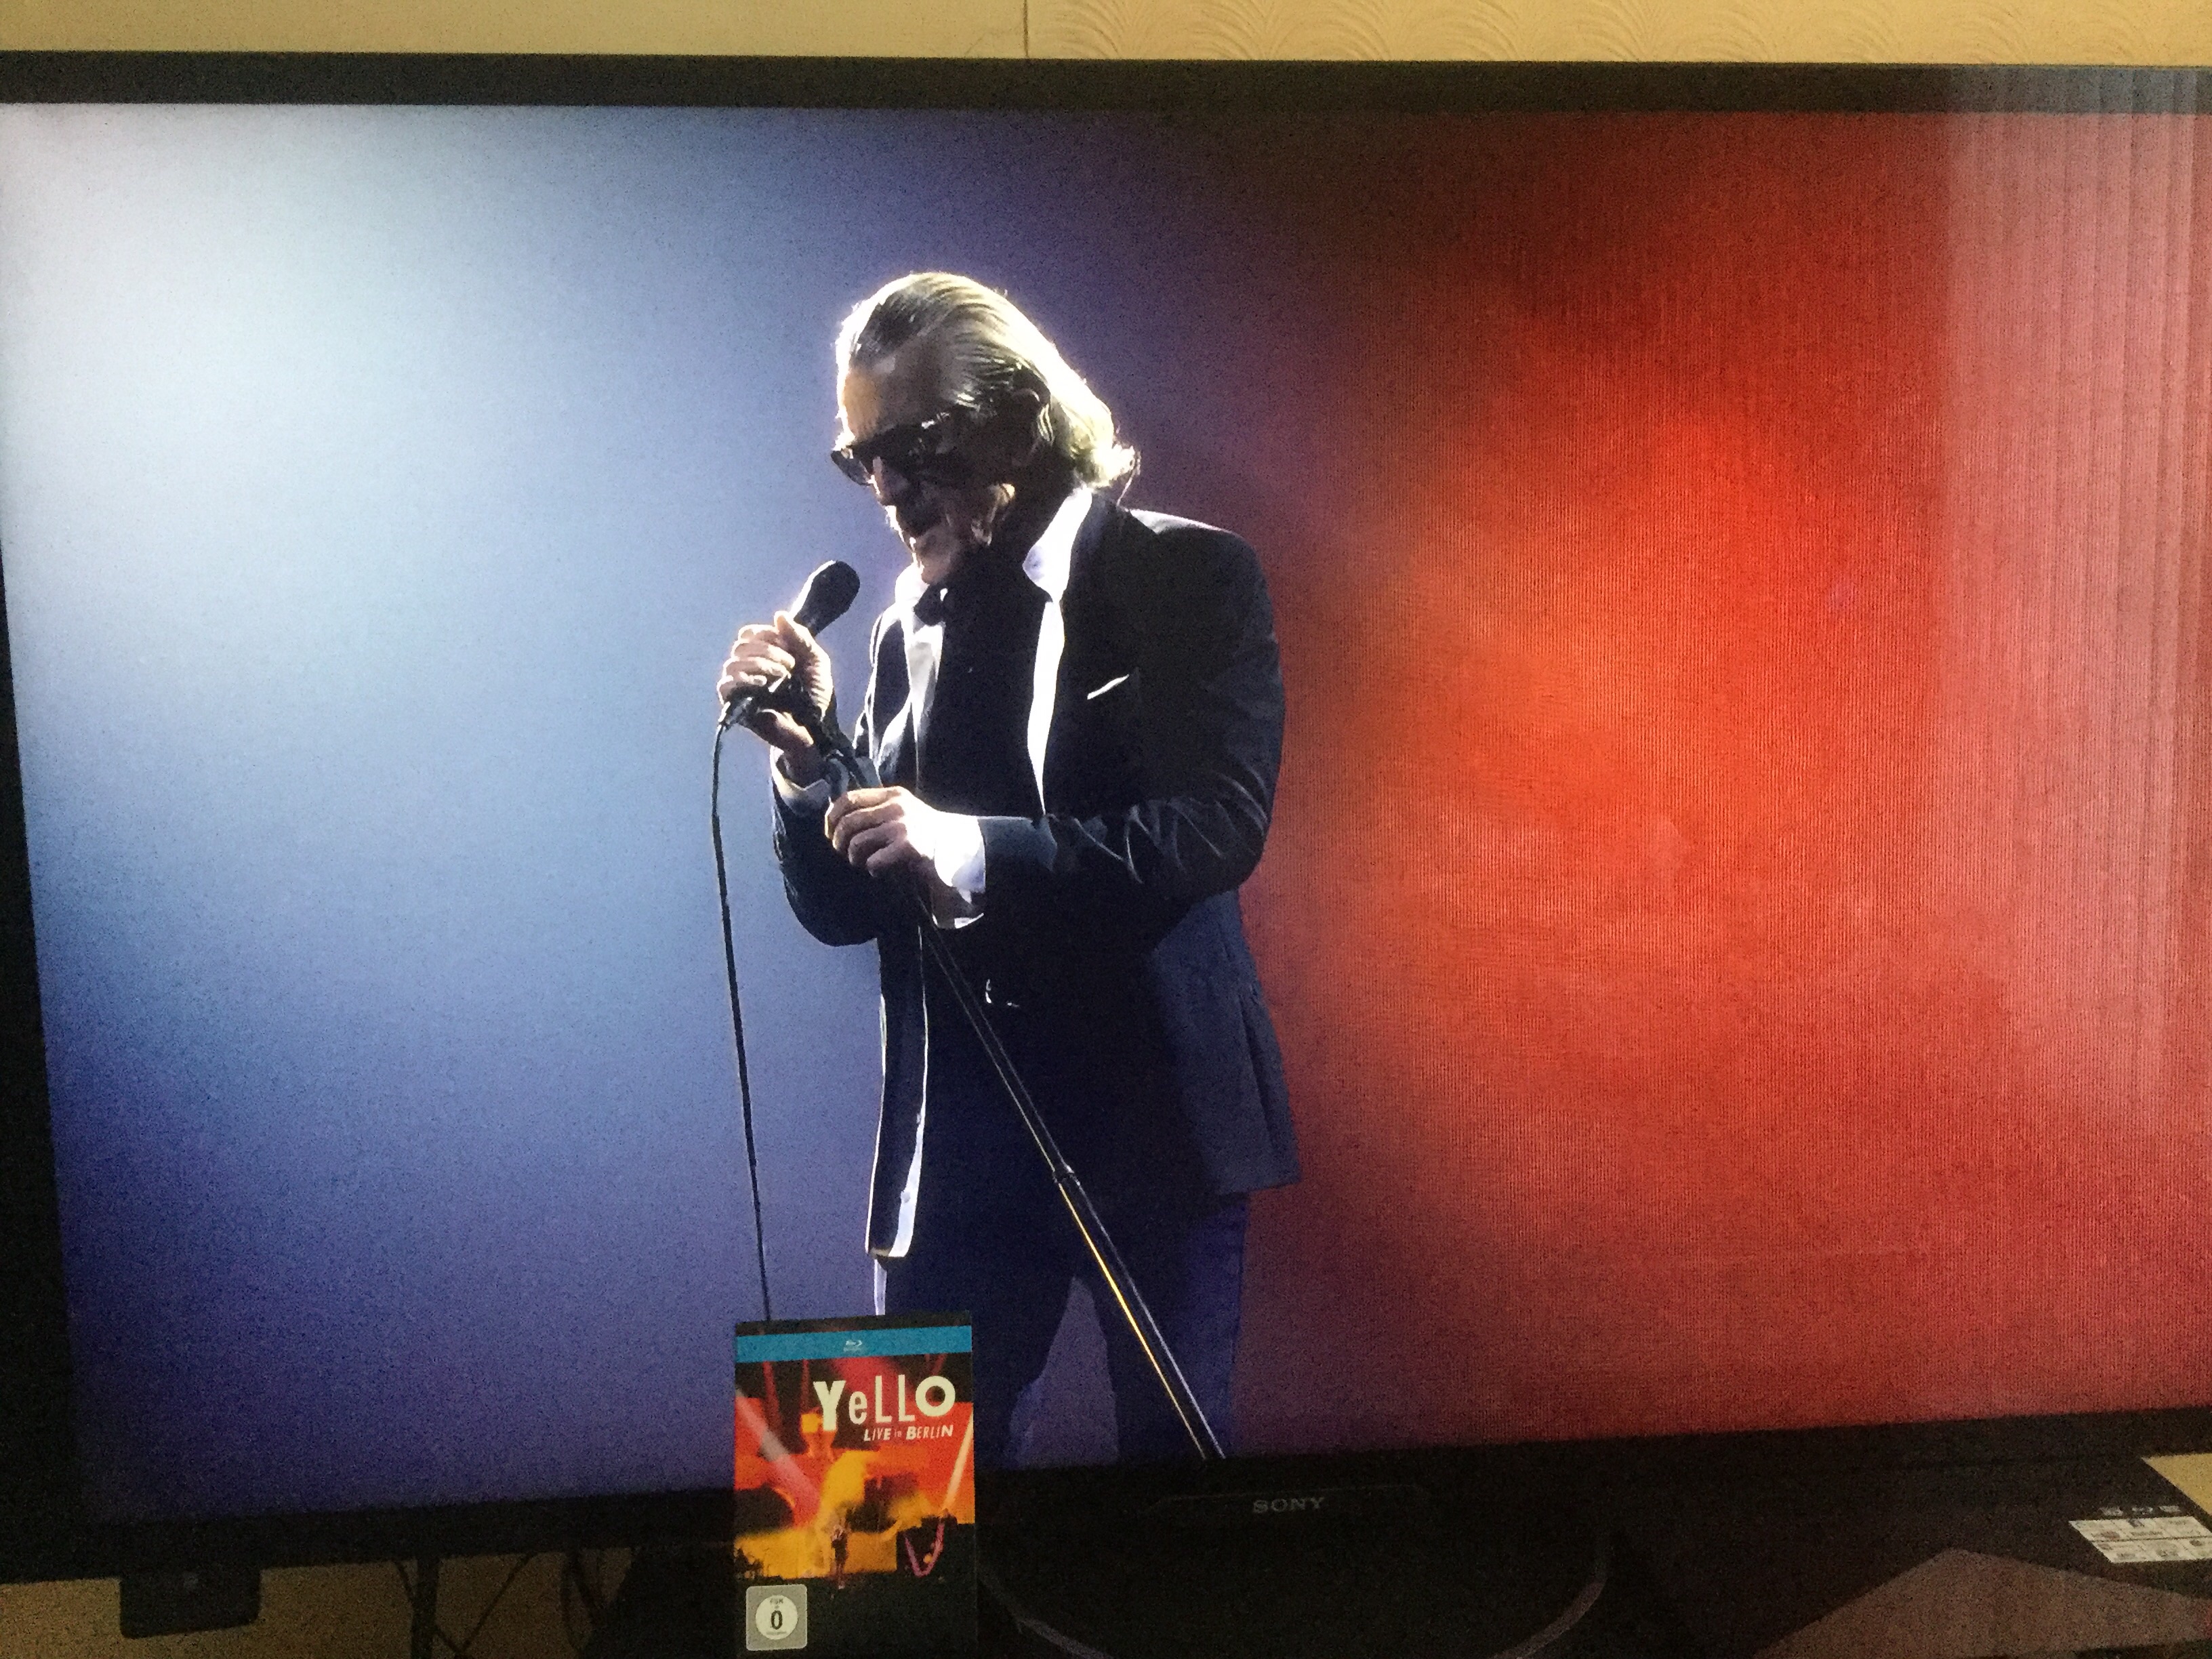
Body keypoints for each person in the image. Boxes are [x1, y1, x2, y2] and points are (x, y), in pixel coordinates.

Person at [718, 272, 1297, 1467]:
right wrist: (808, 767)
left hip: (1155, 1128)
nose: (887, 487)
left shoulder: (1189, 575)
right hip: (958, 1143)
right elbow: (847, 910)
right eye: (862, 459)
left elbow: (1216, 830)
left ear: (1020, 422)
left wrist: (967, 844)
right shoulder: (902, 630)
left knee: (1180, 1509)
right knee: (871, 1516)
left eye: (916, 446)